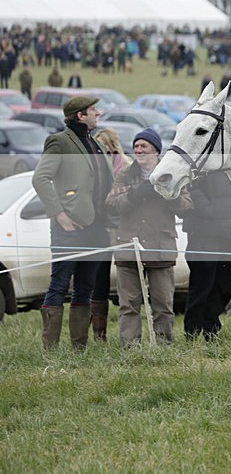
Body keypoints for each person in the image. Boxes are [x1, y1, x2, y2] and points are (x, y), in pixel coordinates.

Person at [32, 96, 113, 349]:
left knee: (85, 288)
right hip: (70, 228)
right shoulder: (59, 141)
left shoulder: (94, 142)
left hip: (97, 227)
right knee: (59, 285)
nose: (98, 113)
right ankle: (50, 349)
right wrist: (59, 214)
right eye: (92, 110)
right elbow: (40, 179)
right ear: (80, 115)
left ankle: (79, 347)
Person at [106, 128, 192, 347]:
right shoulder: (125, 174)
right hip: (129, 246)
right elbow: (112, 203)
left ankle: (164, 344)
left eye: (144, 146)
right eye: (136, 146)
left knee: (163, 303)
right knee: (129, 304)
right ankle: (130, 346)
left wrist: (167, 193)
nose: (139, 150)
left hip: (161, 246)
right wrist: (135, 194)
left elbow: (186, 206)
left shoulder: (170, 173)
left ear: (156, 150)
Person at [182, 172, 231, 341]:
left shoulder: (229, 169)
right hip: (202, 236)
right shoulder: (198, 164)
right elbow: (191, 190)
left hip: (225, 236)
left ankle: (211, 329)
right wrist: (211, 212)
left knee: (224, 287)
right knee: (201, 287)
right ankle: (193, 333)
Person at [90, 128, 132, 340]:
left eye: (103, 148)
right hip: (102, 229)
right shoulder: (94, 168)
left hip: (122, 228)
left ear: (112, 147)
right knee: (99, 279)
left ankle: (130, 330)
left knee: (127, 278)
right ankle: (100, 333)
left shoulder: (126, 167)